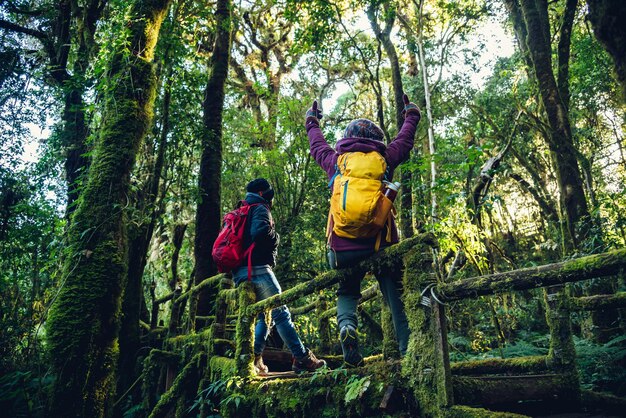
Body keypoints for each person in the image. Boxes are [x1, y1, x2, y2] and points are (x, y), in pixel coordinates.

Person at [305, 95, 421, 367]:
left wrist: (312, 120)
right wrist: (412, 113)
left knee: (347, 292)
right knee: (395, 292)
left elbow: (316, 143)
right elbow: (405, 139)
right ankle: (409, 353)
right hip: (379, 244)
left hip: (342, 248)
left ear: (347, 137)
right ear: (378, 139)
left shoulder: (335, 161)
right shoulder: (385, 160)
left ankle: (347, 329)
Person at [231, 178, 327, 374]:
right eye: (268, 190)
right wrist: (277, 237)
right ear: (260, 192)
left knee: (266, 317)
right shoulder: (259, 208)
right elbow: (260, 233)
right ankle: (302, 359)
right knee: (281, 314)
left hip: (241, 270)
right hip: (257, 269)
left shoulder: (243, 209)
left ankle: (254, 360)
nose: (271, 194)